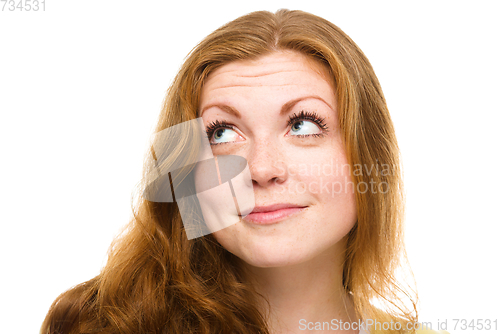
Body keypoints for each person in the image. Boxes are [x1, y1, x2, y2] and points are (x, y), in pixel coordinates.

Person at [41, 9, 449, 334]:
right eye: (221, 133)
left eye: (303, 125)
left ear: (369, 155)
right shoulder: (95, 325)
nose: (261, 169)